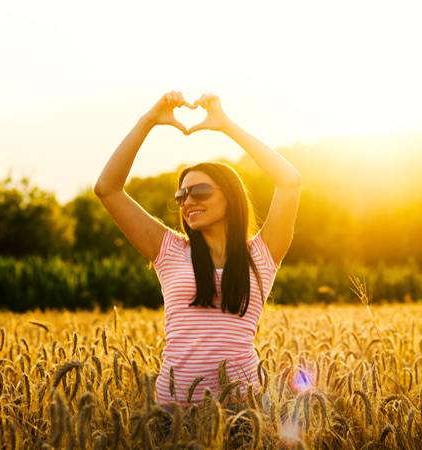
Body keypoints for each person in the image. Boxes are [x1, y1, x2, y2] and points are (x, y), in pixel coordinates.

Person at [94, 91, 301, 413]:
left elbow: (290, 182)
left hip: (246, 412)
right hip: (172, 413)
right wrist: (148, 120)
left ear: (230, 196)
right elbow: (107, 189)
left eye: (200, 191)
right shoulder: (169, 250)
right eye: (182, 195)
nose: (188, 201)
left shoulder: (262, 254)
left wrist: (227, 125)